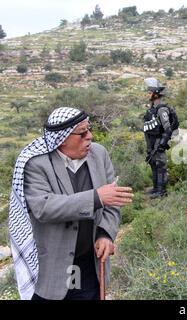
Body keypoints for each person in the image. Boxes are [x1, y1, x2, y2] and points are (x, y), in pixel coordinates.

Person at [9, 107, 134, 300]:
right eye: (82, 133)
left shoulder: (99, 154)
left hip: (88, 265)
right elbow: (44, 208)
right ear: (62, 138)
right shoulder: (36, 164)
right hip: (50, 268)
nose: (90, 137)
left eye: (89, 130)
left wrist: (105, 234)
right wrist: (96, 198)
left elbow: (112, 202)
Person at [143, 77, 174, 198]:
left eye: (150, 92)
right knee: (153, 163)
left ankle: (162, 191)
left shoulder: (161, 109)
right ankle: (156, 188)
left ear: (156, 94)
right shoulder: (153, 108)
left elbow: (168, 128)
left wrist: (162, 143)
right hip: (151, 142)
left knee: (161, 165)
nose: (148, 94)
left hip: (158, 141)